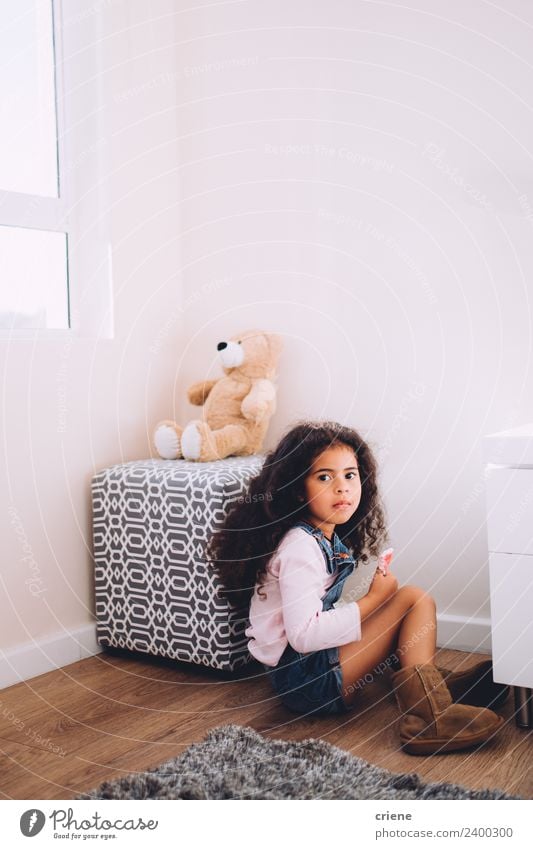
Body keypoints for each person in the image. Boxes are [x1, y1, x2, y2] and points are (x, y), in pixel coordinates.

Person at [208, 420, 508, 754]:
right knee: (411, 599)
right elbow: (304, 635)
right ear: (297, 489)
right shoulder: (300, 548)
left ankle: (433, 688)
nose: (342, 488)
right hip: (307, 681)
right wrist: (372, 600)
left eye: (350, 475)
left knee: (407, 600)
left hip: (312, 667)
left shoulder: (321, 534)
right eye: (325, 477)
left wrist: (374, 603)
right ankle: (427, 719)